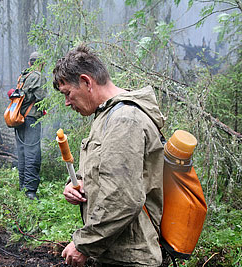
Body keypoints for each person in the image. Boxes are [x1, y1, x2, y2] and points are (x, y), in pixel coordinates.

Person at [53, 45, 165, 267]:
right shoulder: (106, 116)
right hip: (115, 251)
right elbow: (106, 171)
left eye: (67, 93)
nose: (67, 102)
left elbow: (124, 197)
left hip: (131, 258)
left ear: (86, 82)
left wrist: (84, 244)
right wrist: (78, 182)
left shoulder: (124, 120)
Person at [15, 51, 46, 200]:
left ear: (29, 63)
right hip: (31, 119)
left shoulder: (23, 77)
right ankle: (30, 191)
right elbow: (41, 98)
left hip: (19, 119)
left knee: (22, 153)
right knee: (32, 153)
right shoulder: (37, 76)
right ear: (41, 63)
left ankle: (23, 186)